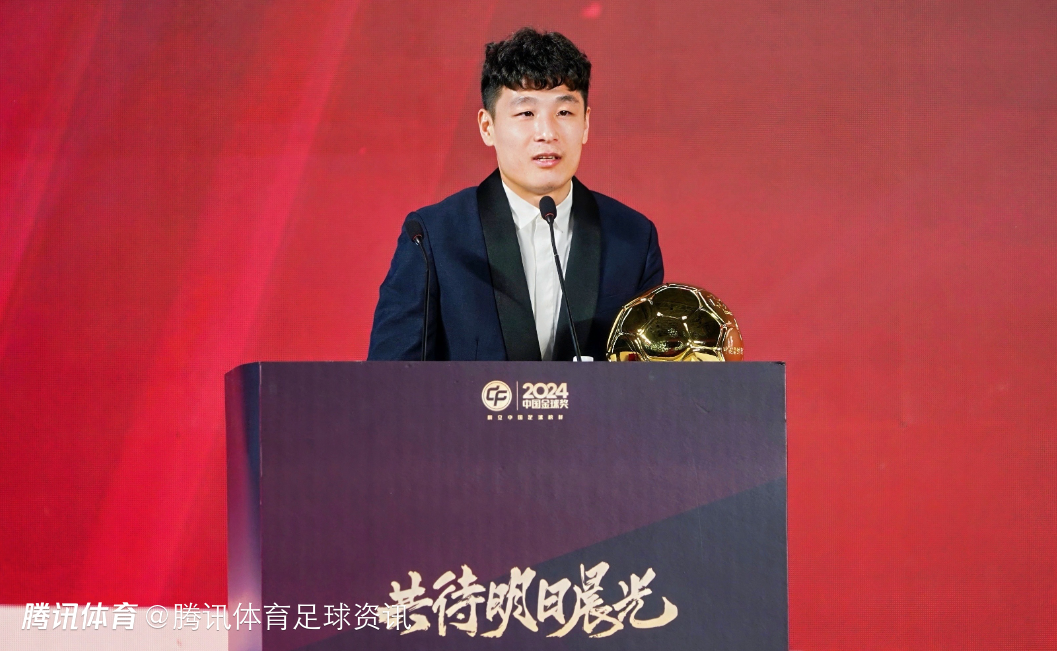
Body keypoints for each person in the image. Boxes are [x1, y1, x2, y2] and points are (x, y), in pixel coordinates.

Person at [368, 27, 663, 361]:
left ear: (586, 123)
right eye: (526, 113)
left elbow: (650, 381)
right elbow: (389, 379)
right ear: (487, 127)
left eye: (564, 112)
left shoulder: (633, 239)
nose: (547, 132)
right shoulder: (433, 237)